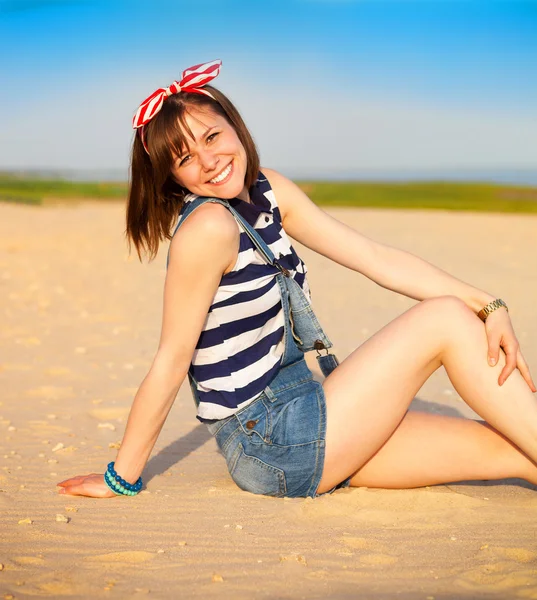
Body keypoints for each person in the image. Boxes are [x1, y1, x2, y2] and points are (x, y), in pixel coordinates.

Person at [58, 60, 537, 499]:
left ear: (235, 127)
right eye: (184, 159)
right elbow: (172, 358)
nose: (208, 160)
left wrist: (491, 305)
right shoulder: (208, 228)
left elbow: (373, 257)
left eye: (211, 137)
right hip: (271, 441)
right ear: (174, 177)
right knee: (447, 318)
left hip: (316, 409)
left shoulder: (269, 190)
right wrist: (121, 476)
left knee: (514, 450)